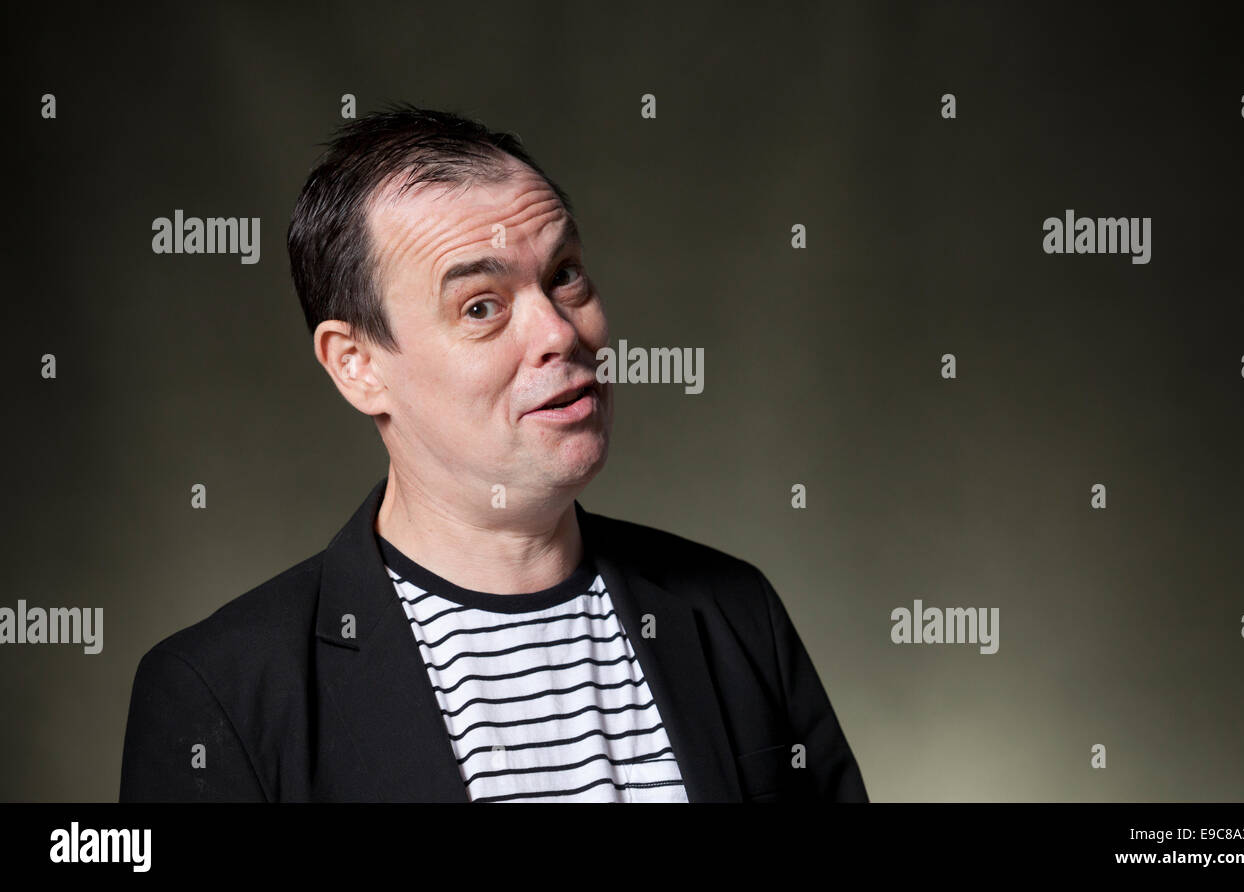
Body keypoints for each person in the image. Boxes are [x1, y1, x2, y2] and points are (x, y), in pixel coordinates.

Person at [119, 105, 868, 802]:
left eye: (563, 275)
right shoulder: (219, 693)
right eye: (481, 306)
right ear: (358, 365)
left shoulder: (735, 610)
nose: (560, 333)